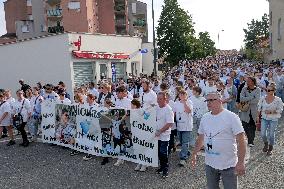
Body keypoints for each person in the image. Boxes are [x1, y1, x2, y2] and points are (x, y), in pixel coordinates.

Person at [191, 92, 247, 189]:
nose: (208, 103)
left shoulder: (232, 117)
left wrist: (241, 162)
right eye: (207, 100)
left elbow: (241, 140)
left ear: (220, 100)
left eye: (211, 100)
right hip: (210, 164)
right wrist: (194, 153)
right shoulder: (205, 117)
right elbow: (200, 138)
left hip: (229, 164)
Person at [257, 83, 283, 155]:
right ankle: (266, 143)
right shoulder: (263, 98)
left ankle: (270, 147)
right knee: (262, 134)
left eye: (269, 90)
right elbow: (259, 108)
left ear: (274, 91)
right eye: (267, 90)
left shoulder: (278, 100)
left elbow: (280, 110)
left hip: (273, 119)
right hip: (264, 118)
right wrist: (257, 117)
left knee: (271, 134)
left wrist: (271, 111)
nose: (267, 91)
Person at [155, 91, 174, 178]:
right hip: (157, 135)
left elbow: (170, 123)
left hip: (164, 135)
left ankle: (165, 169)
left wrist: (160, 131)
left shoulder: (168, 109)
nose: (158, 100)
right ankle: (161, 167)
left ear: (165, 99)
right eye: (157, 99)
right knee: (159, 152)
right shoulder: (157, 107)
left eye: (160, 99)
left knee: (163, 153)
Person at [173, 90, 193, 166]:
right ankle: (186, 152)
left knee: (185, 142)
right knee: (181, 142)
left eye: (184, 94)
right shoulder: (176, 103)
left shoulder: (189, 102)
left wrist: (184, 102)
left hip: (187, 126)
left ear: (186, 95)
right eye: (181, 94)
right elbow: (174, 113)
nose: (182, 96)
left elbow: (188, 110)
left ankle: (183, 158)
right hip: (179, 126)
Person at [239, 77, 261, 147]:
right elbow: (241, 99)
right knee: (244, 125)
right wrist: (251, 97)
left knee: (252, 127)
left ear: (253, 82)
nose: (247, 82)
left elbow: (256, 100)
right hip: (245, 111)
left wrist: (247, 99)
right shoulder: (244, 89)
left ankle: (251, 141)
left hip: (253, 111)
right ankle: (247, 138)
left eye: (249, 81)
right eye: (247, 81)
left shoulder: (258, 89)